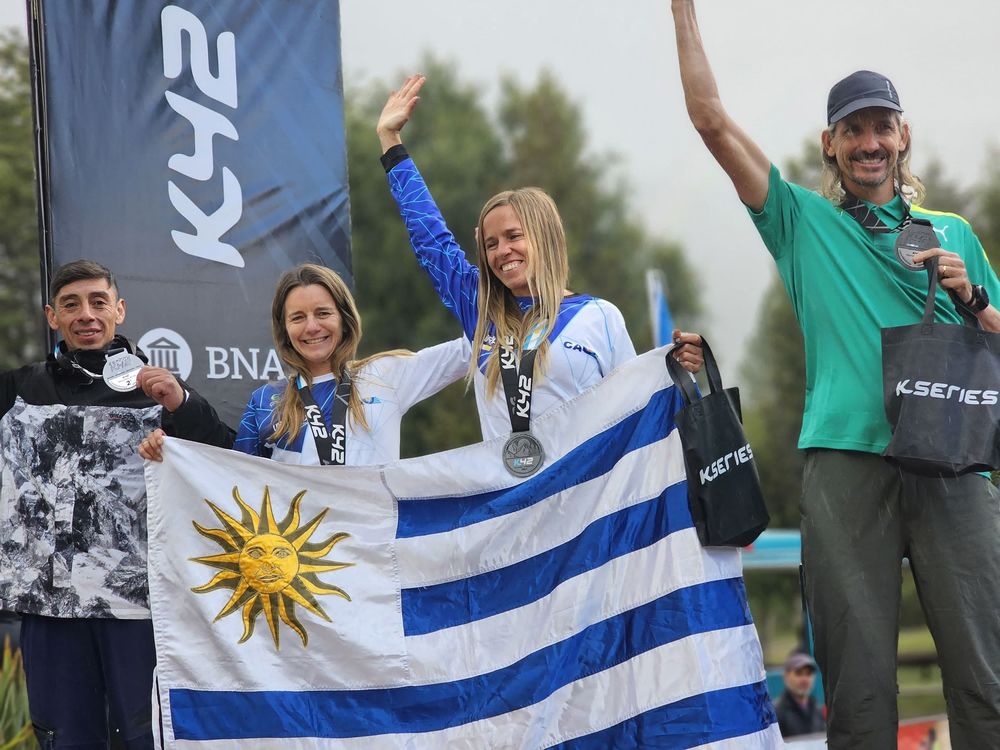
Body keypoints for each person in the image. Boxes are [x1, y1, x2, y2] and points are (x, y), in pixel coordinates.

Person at [670, 2, 1000, 747]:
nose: (870, 142)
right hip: (847, 464)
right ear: (831, 143)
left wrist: (971, 296)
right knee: (855, 683)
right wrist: (681, 9)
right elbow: (710, 120)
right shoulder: (800, 222)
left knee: (987, 672)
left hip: (955, 465)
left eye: (882, 126)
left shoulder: (955, 235)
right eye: (853, 129)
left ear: (903, 135)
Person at [376, 74, 703, 441]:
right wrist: (391, 143)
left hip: (588, 495)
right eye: (491, 243)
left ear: (544, 237)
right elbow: (430, 238)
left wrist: (677, 368)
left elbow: (635, 407)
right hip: (512, 495)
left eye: (514, 236)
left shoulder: (599, 317)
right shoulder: (480, 310)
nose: (503, 251)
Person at [0, 260, 231, 749]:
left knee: (145, 735)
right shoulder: (17, 391)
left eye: (98, 302)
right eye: (71, 304)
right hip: (50, 606)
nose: (86, 314)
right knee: (64, 738)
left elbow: (228, 459)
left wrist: (183, 405)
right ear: (51, 316)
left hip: (139, 606)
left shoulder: (157, 390)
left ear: (119, 310)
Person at [140, 263, 469, 465]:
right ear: (283, 328)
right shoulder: (266, 401)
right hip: (300, 565)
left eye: (323, 313)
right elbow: (236, 479)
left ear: (344, 318)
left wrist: (511, 286)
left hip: (374, 561)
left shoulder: (386, 375)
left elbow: (474, 346)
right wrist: (171, 456)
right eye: (298, 317)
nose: (312, 327)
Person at [773, 652, 825, 738]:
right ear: (786, 676)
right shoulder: (776, 712)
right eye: (799, 673)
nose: (804, 679)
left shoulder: (817, 709)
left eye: (808, 674)